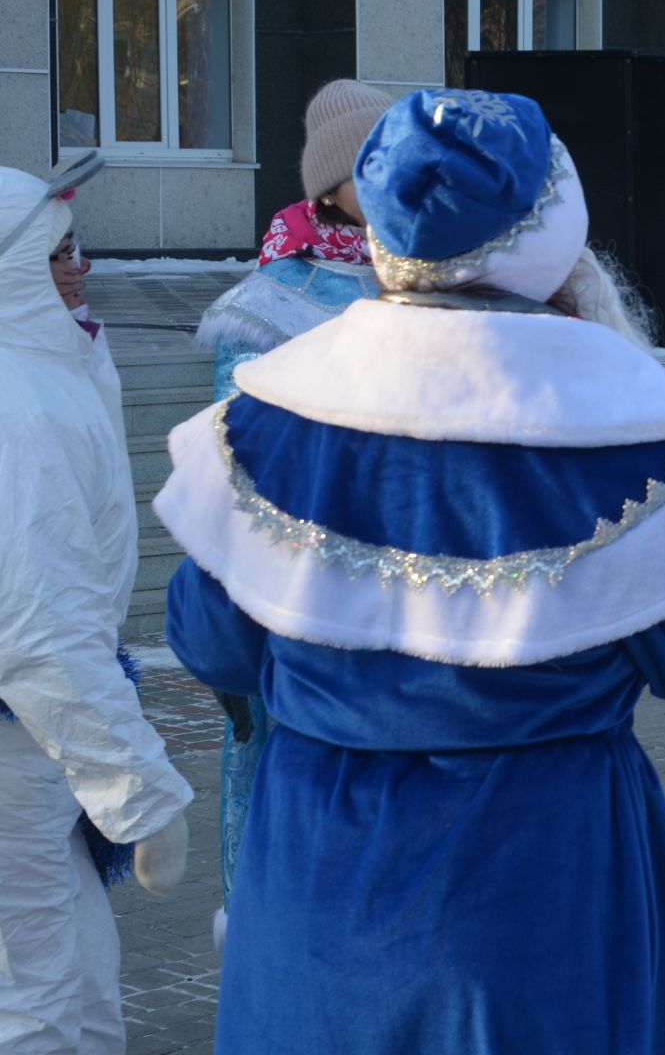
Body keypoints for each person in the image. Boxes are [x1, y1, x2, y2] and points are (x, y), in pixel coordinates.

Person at [156, 89, 665, 1053]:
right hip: (536, 900)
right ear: (554, 233)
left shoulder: (268, 424)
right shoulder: (617, 440)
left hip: (316, 895)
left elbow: (210, 640)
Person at [0, 163, 194, 1052]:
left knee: (74, 985)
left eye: (80, 247)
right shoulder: (16, 405)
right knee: (36, 1001)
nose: (78, 268)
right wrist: (140, 792)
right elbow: (40, 626)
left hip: (38, 746)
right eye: (56, 253)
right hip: (24, 739)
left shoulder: (48, 361)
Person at [192, 78, 387, 921]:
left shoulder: (425, 272)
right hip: (293, 582)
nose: (390, 175)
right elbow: (230, 455)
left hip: (399, 582)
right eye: (369, 162)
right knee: (277, 772)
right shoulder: (268, 301)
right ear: (328, 183)